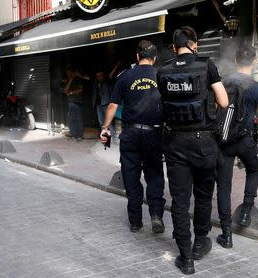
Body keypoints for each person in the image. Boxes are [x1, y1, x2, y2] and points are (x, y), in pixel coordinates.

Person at [157, 26, 228, 275]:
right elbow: (224, 101)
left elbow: (162, 105)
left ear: (174, 47)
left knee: (179, 199)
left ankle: (186, 258)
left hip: (175, 142)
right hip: (204, 142)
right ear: (194, 44)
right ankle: (200, 243)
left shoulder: (163, 69)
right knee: (203, 195)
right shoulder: (205, 65)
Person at [100, 40, 166, 235]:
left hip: (130, 134)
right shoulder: (161, 75)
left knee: (131, 176)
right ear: (155, 58)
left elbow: (112, 106)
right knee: (154, 175)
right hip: (154, 133)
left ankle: (136, 221)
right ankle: (156, 216)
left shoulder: (125, 76)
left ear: (137, 57)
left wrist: (105, 128)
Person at [215, 44, 258, 248]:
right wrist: (253, 120)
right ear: (254, 62)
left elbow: (215, 111)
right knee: (253, 170)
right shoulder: (256, 87)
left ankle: (226, 234)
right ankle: (246, 211)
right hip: (246, 141)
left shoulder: (223, 82)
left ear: (236, 61)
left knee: (223, 185)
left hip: (224, 141)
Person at [92, 63, 121, 130]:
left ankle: (113, 138)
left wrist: (116, 66)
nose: (99, 77)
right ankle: (105, 137)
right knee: (101, 122)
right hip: (98, 105)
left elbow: (110, 75)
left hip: (106, 104)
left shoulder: (107, 82)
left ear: (103, 75)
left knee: (110, 122)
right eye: (98, 76)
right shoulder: (95, 83)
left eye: (100, 75)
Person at [63, 65, 85, 141]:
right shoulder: (68, 81)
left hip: (78, 102)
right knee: (72, 120)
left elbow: (81, 89)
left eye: (70, 72)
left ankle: (79, 136)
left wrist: (72, 92)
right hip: (70, 102)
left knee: (78, 119)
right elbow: (65, 91)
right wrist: (70, 80)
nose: (68, 74)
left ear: (73, 72)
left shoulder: (78, 79)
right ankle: (73, 135)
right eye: (67, 73)